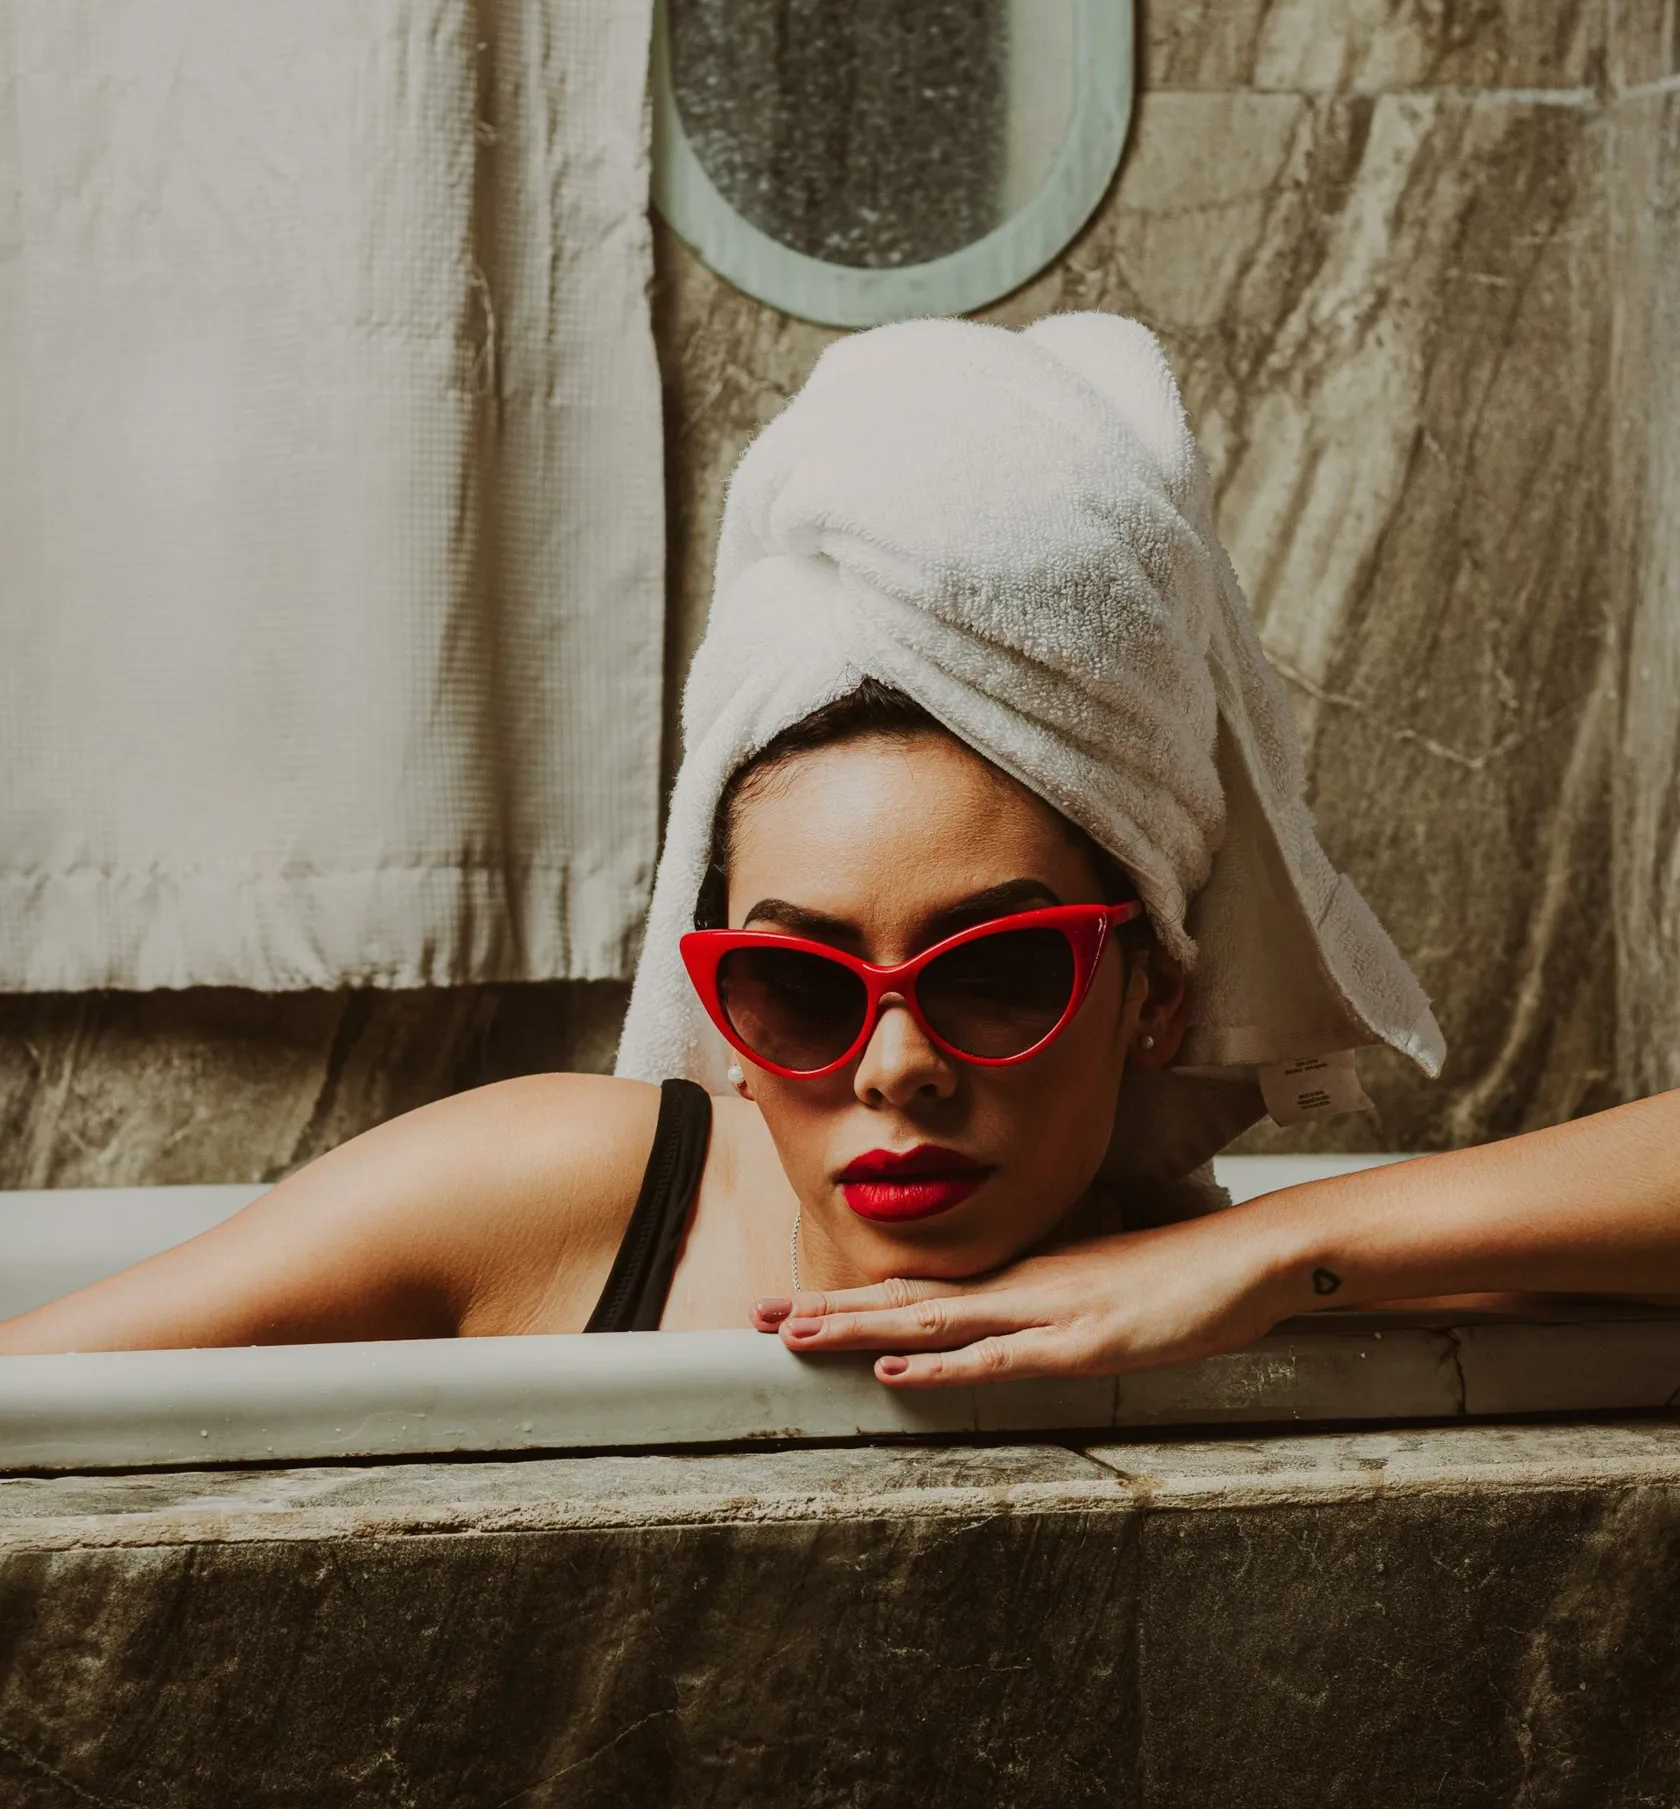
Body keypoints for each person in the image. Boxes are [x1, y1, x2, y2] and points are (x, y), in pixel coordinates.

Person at [7, 317, 1676, 1360]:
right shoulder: (556, 1201)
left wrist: (1273, 1252)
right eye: (799, 987)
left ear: (1155, 991)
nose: (895, 1069)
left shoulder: (1230, 1288)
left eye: (1000, 973)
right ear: (719, 1010)